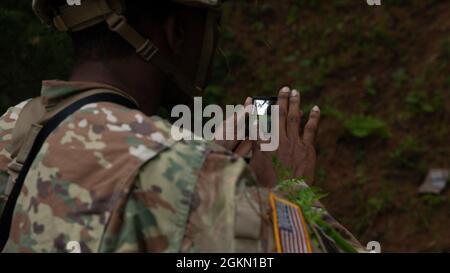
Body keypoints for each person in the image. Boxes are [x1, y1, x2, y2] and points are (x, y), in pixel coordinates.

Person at [0, 0, 362, 252]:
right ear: (177, 32)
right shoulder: (196, 174)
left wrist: (197, 161)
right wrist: (289, 196)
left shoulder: (12, 129)